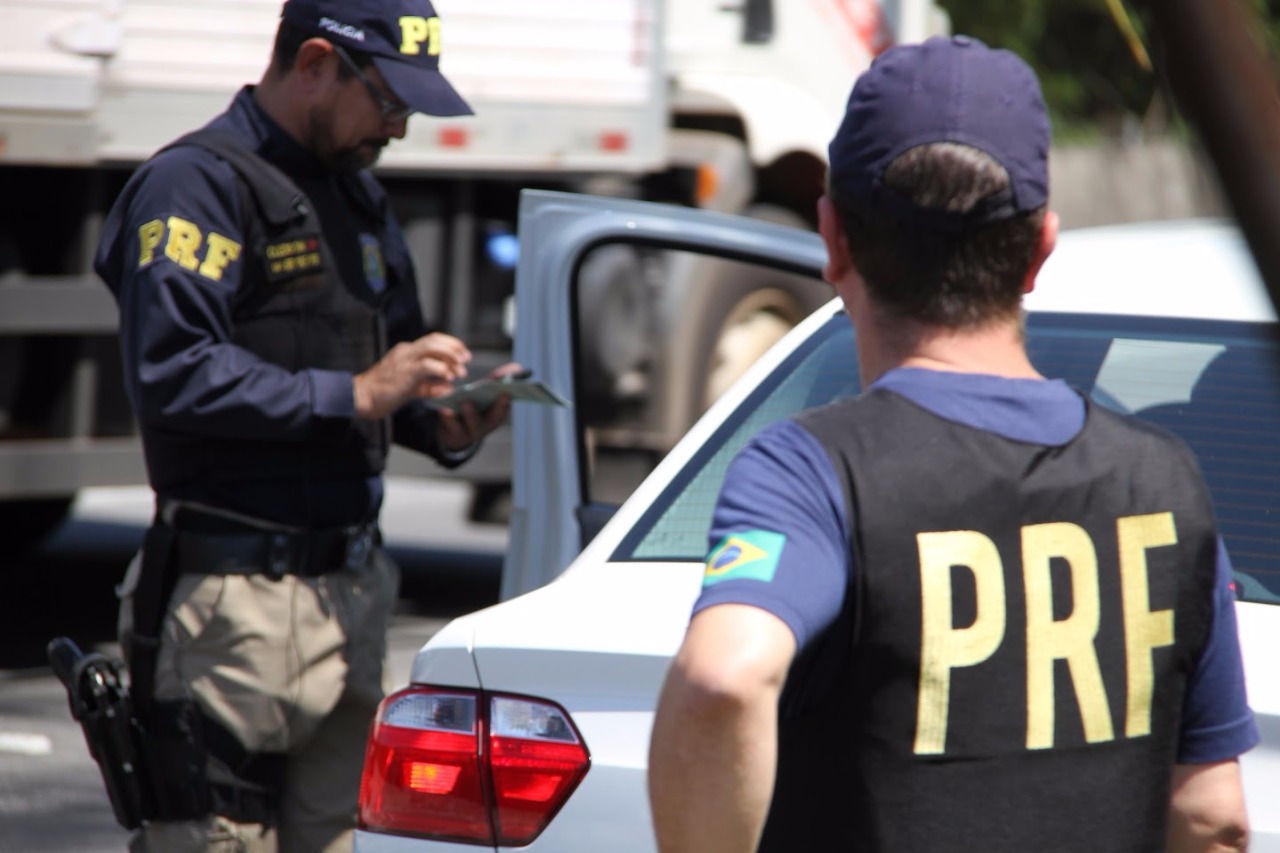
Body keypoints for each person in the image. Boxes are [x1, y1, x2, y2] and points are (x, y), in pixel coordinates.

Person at [647, 35, 1259, 853]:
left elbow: (722, 678)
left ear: (833, 238)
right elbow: (1213, 816)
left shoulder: (812, 472)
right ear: (1040, 250)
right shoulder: (1166, 482)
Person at [92, 1, 515, 850]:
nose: (398, 127)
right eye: (388, 100)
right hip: (232, 605)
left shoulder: (358, 195)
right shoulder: (195, 185)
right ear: (316, 63)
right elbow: (173, 371)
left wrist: (443, 414)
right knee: (214, 836)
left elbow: (385, 373)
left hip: (350, 595)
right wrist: (356, 394)